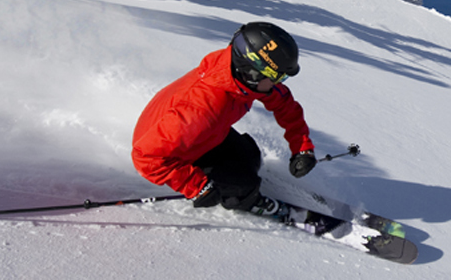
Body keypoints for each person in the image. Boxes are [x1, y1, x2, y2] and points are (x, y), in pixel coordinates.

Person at [131, 21, 316, 211]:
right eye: (277, 77)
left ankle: (238, 184)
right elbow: (146, 158)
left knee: (250, 154)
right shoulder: (203, 108)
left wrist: (302, 147)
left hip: (201, 137)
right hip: (173, 153)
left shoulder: (239, 78)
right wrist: (197, 187)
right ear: (253, 72)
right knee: (244, 186)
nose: (278, 83)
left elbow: (285, 105)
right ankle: (248, 201)